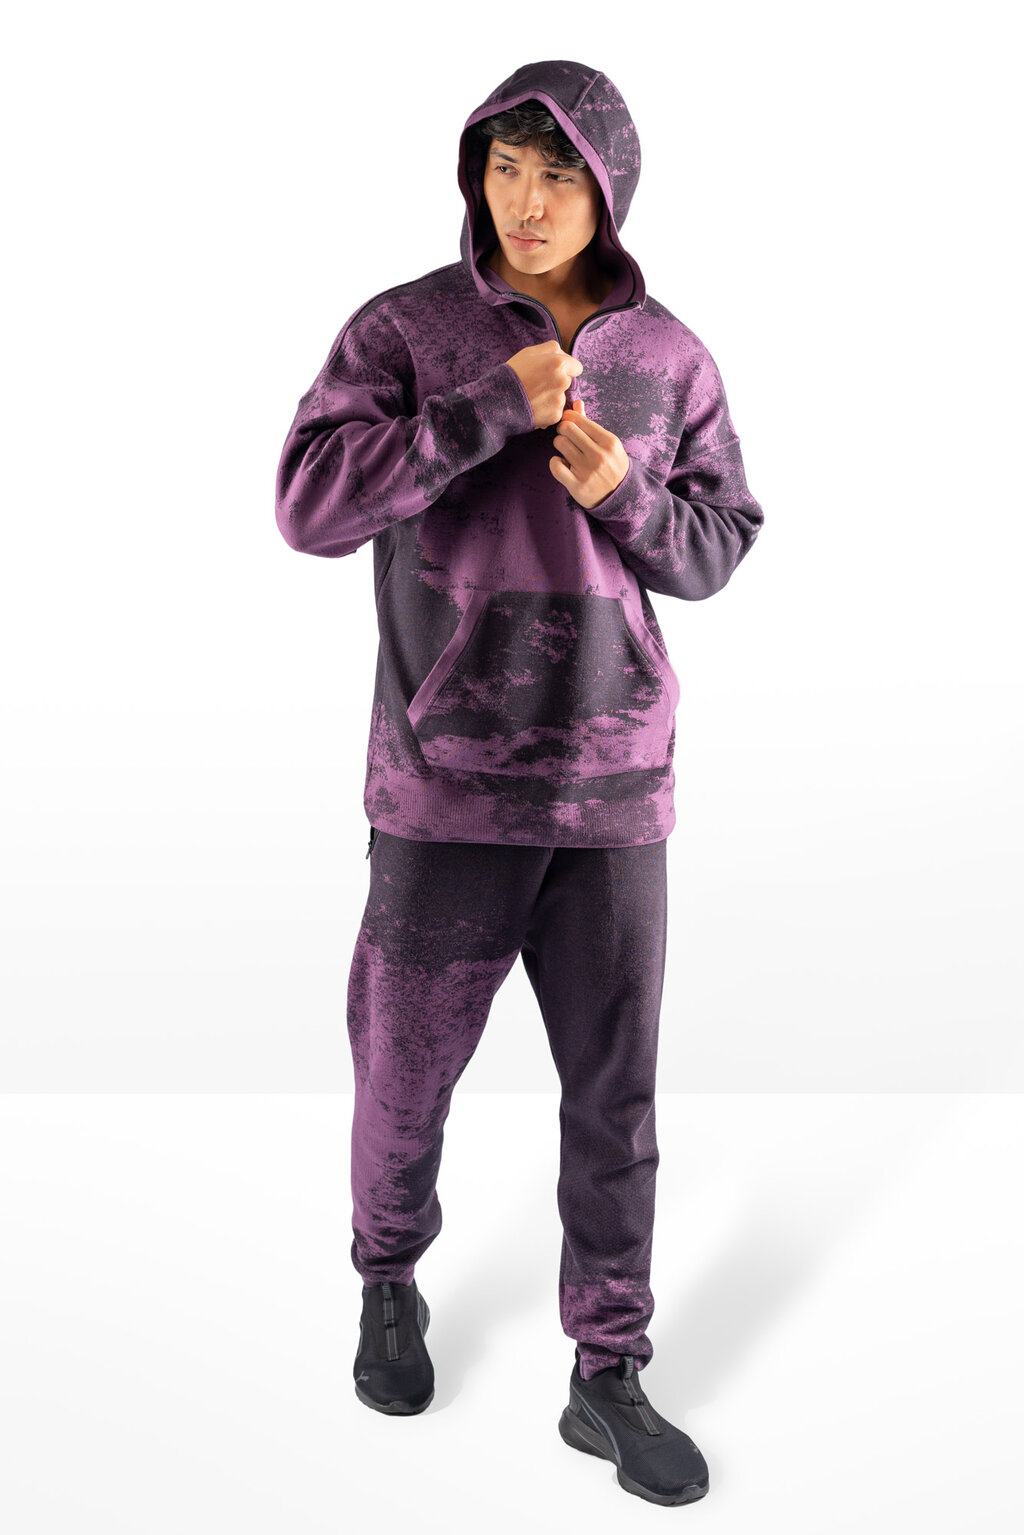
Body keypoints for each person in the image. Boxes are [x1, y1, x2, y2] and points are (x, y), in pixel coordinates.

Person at [275, 58, 763, 1507]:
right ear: (475, 172)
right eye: (505, 168)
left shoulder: (672, 358)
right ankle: (386, 1279)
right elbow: (307, 506)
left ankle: (608, 1372)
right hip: (444, 785)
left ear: (607, 190)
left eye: (557, 175)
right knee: (403, 1072)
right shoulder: (407, 330)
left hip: (616, 790)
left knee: (616, 1100)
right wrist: (483, 409)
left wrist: (625, 494)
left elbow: (719, 545)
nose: (527, 201)